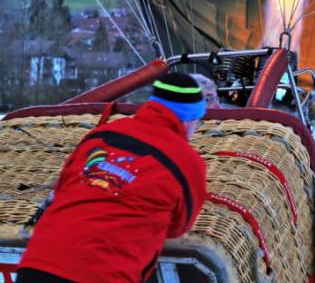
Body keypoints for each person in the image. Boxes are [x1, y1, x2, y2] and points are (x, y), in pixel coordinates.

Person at [16, 72, 208, 283]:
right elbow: (179, 226)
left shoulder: (100, 135)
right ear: (188, 120)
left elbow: (62, 189)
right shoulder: (187, 162)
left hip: (37, 265)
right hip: (102, 274)